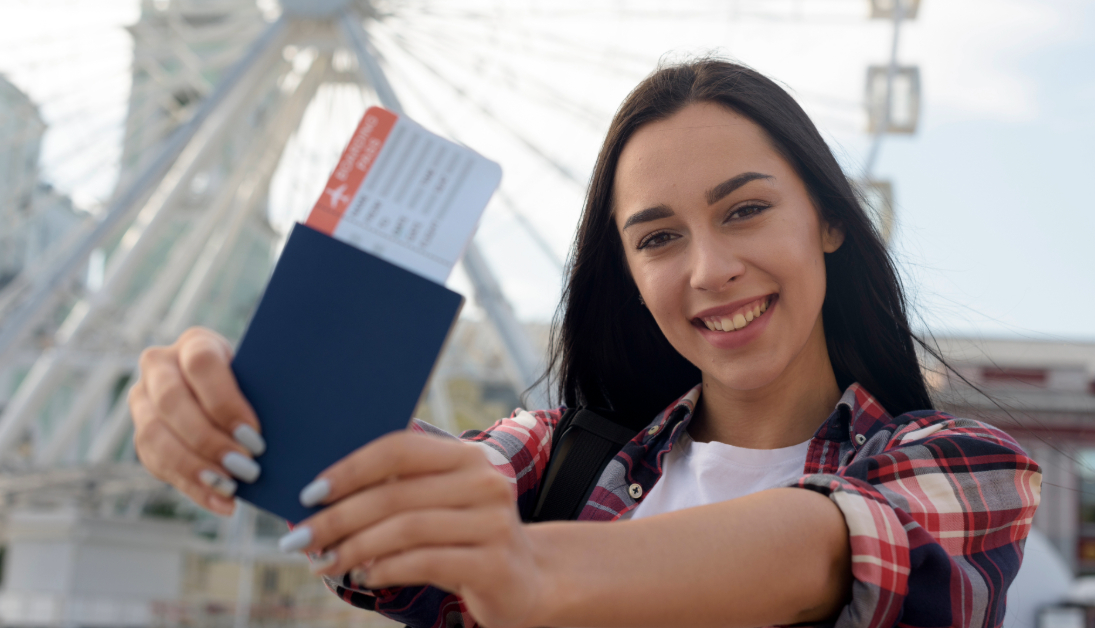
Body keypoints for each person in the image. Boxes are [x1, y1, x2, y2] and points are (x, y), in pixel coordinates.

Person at [128, 59, 1042, 628]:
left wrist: (529, 573)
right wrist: (241, 410)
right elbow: (400, 491)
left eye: (747, 210)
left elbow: (826, 547)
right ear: (630, 272)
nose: (710, 268)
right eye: (658, 238)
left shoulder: (963, 467)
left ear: (831, 221)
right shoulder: (548, 455)